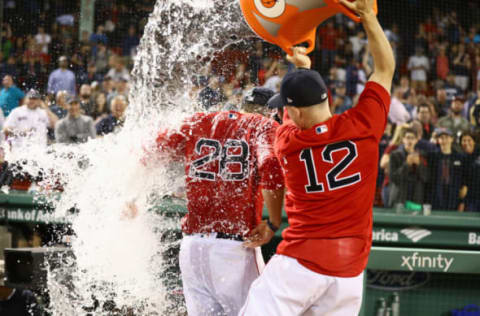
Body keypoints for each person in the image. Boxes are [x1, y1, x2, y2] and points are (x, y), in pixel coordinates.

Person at [240, 0, 395, 314]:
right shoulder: (364, 126)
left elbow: (291, 119)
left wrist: (299, 69)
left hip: (299, 265)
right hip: (349, 273)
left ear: (294, 110)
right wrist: (367, 16)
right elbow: (385, 68)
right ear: (328, 96)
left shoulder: (287, 142)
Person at [133, 87, 284, 316]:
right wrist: (273, 223)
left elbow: (151, 152)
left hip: (192, 249)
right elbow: (271, 168)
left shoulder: (199, 120)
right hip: (234, 248)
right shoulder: (262, 125)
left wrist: (132, 196)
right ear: (271, 112)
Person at [427, 128, 467, 211]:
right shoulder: (432, 156)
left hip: (454, 195)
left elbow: (464, 177)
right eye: (441, 137)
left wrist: (462, 200)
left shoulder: (460, 157)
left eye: (447, 137)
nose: (444, 140)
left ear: (452, 139)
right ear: (438, 140)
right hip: (436, 195)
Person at [388, 128, 428, 206]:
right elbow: (393, 178)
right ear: (403, 139)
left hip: (416, 198)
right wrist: (407, 164)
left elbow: (425, 178)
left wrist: (419, 165)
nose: (410, 141)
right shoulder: (394, 155)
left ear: (416, 140)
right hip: (399, 198)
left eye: (412, 138)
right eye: (407, 138)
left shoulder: (422, 156)